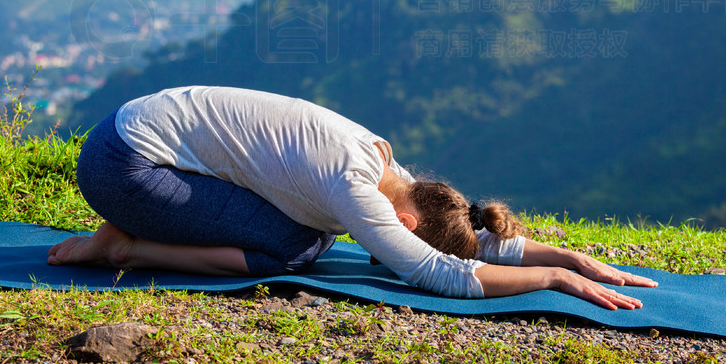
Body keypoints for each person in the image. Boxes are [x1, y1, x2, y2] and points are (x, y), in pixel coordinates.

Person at [48, 86, 656, 309]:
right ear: (402, 219)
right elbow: (443, 273)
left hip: (136, 130)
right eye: (385, 242)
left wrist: (568, 257)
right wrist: (553, 281)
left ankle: (129, 236)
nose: (376, 249)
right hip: (125, 167)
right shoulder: (354, 187)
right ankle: (124, 246)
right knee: (292, 247)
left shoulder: (389, 165)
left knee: (306, 233)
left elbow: (468, 237)